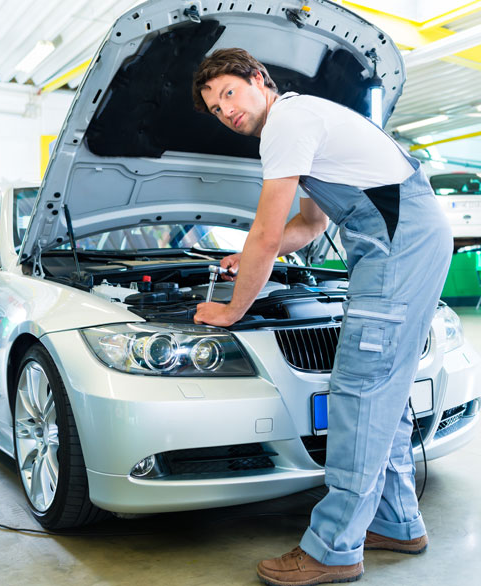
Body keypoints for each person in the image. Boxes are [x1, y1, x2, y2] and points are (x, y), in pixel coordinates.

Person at [191, 48, 453, 586]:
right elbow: (306, 227)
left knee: (358, 390)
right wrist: (251, 259)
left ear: (258, 79)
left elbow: (267, 232)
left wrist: (231, 309)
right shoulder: (302, 120)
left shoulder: (287, 123)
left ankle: (332, 549)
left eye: (229, 93)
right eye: (215, 108)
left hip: (397, 247)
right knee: (382, 390)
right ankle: (397, 522)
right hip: (402, 242)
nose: (226, 110)